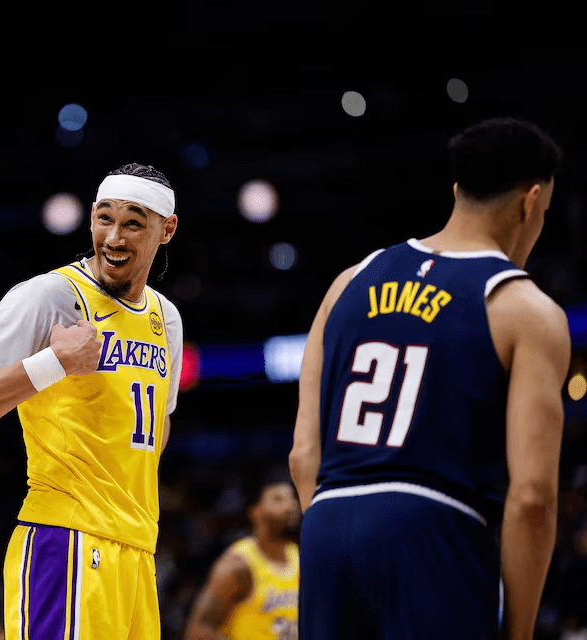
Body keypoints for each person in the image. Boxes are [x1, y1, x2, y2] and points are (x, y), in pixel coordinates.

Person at [288, 116, 569, 640]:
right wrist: (519, 631)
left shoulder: (349, 281)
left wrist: (340, 542)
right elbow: (532, 495)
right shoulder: (525, 308)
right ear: (531, 202)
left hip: (327, 526)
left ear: (458, 190)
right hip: (434, 531)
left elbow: (303, 454)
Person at [0, 162, 183, 640]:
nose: (114, 238)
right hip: (67, 543)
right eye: (104, 218)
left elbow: (154, 430)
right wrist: (53, 364)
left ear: (167, 230)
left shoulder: (168, 319)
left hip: (138, 552)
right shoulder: (51, 296)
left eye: (133, 223)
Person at [184, 478, 301, 640]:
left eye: (292, 498)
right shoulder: (238, 565)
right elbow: (198, 631)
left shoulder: (298, 556)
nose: (291, 506)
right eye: (278, 499)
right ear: (256, 511)